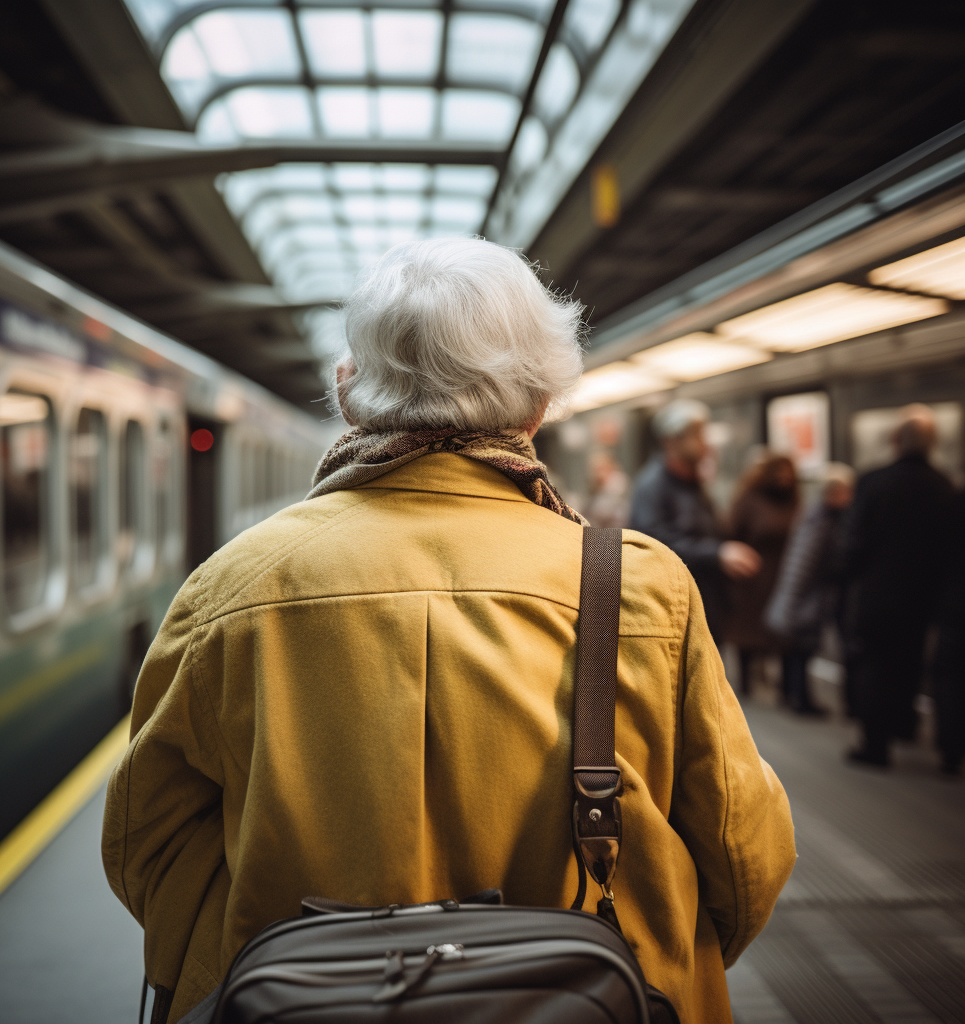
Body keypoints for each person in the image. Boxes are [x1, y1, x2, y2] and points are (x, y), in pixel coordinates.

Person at [102, 238, 795, 1024]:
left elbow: (145, 848)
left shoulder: (230, 589)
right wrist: (668, 956)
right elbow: (746, 857)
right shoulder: (639, 587)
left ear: (350, 389)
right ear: (538, 405)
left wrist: (249, 953)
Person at [841, 404, 954, 768]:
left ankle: (876, 745)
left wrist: (844, 578)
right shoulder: (943, 487)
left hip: (877, 593)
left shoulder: (874, 481)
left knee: (874, 665)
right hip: (922, 598)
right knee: (908, 662)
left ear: (895, 440)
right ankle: (903, 726)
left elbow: (855, 541)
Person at [629, 399, 761, 644]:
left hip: (709, 606)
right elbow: (655, 544)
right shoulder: (652, 486)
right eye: (697, 435)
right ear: (671, 441)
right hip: (676, 611)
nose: (705, 443)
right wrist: (717, 554)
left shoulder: (694, 481)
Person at [765, 463, 856, 715]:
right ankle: (799, 698)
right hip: (808, 598)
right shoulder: (820, 521)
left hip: (810, 598)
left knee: (799, 650)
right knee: (800, 651)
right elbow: (802, 565)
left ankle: (794, 695)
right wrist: (791, 603)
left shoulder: (826, 518)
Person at [726, 454, 801, 698]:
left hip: (783, 576)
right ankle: (746, 682)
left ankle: (784, 686)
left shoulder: (794, 502)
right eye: (778, 473)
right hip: (753, 578)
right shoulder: (750, 501)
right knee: (748, 631)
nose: (784, 478)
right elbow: (732, 533)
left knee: (779, 632)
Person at [933, 488, 965, 776]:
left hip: (955, 606)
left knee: (951, 679)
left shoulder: (953, 500)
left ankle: (951, 752)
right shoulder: (943, 488)